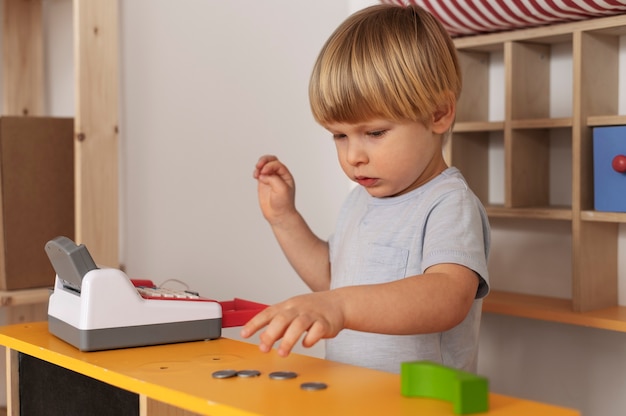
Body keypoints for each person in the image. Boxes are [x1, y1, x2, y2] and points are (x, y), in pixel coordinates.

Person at [241, 3, 490, 374]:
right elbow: (332, 279)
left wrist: (339, 307)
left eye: (374, 133)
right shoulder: (360, 201)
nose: (353, 155)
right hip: (354, 396)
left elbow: (449, 295)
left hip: (421, 405)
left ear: (438, 113)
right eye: (339, 136)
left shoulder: (448, 203)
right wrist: (284, 219)